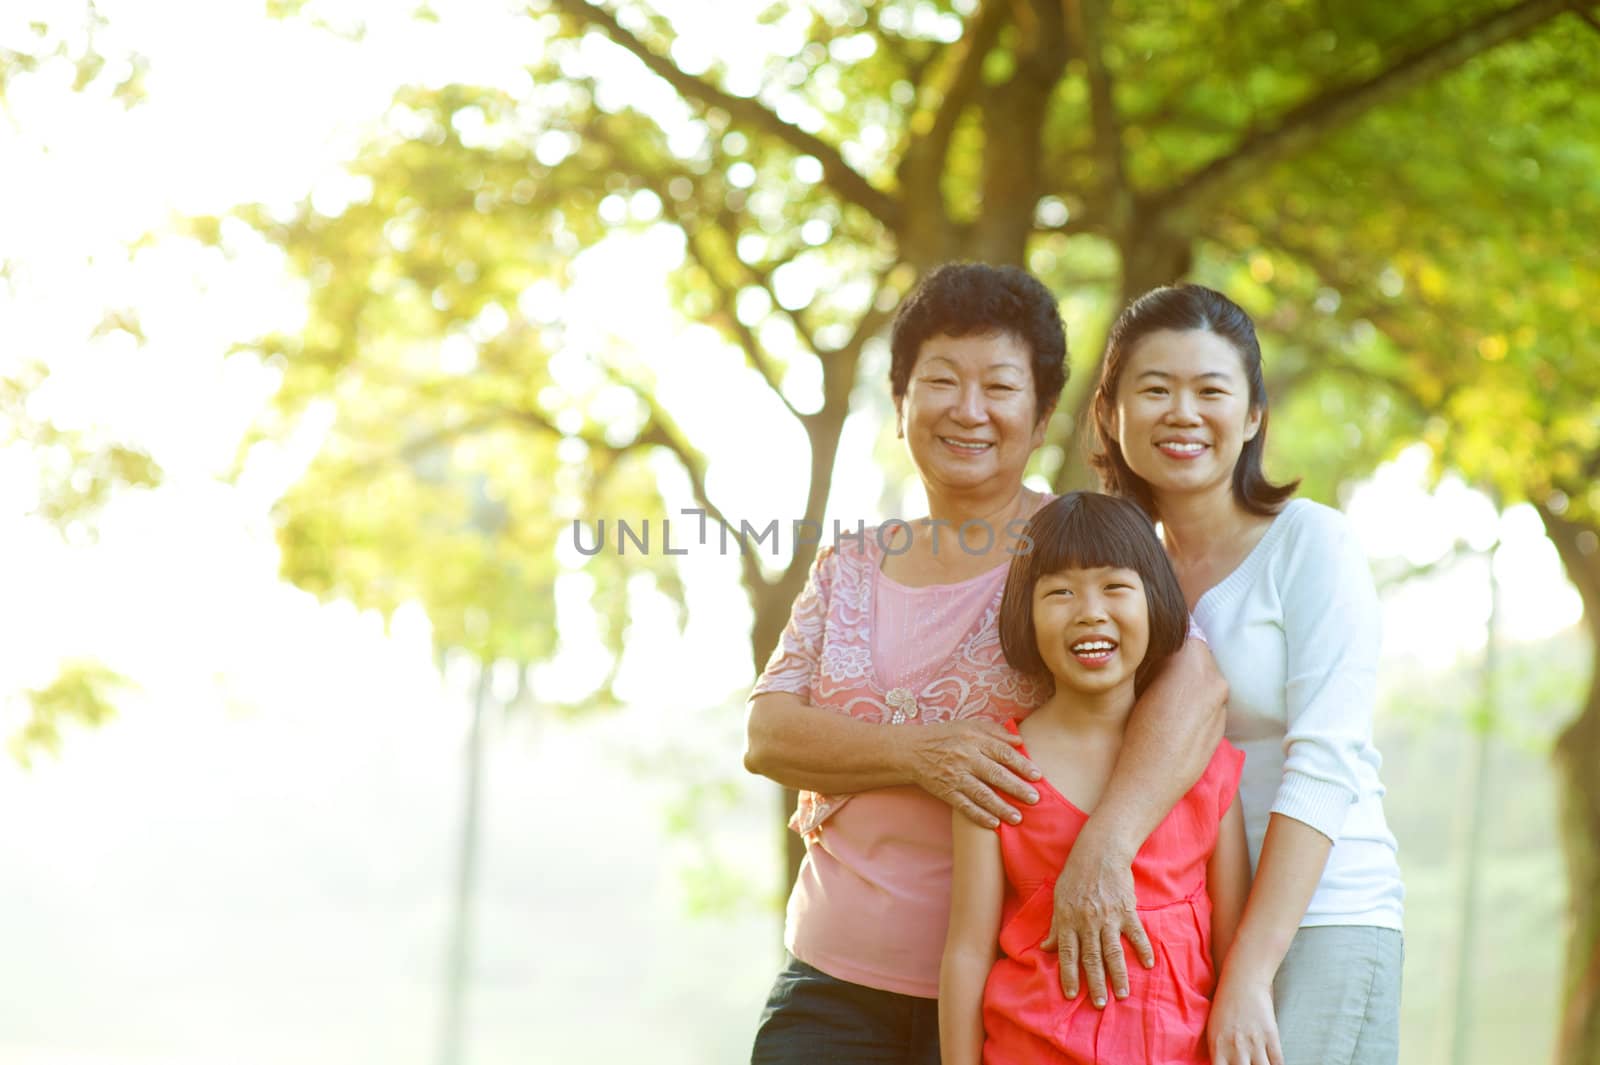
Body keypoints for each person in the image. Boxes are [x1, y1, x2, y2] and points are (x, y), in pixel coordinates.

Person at [743, 262, 1228, 1064]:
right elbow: (768, 734)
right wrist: (921, 753)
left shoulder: (1082, 549)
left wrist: (1106, 846)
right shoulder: (852, 563)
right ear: (901, 405)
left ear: (1040, 419)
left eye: (1000, 386)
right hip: (827, 989)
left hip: (1010, 1002)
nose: (968, 410)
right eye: (939, 379)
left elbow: (1196, 687)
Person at [1089, 283, 1405, 1065]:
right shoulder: (1124, 579)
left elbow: (1327, 762)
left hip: (1320, 919)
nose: (1182, 413)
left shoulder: (1311, 544)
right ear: (1110, 412)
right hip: (1188, 924)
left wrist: (1250, 971)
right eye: (1154, 389)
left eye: (1211, 390)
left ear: (1254, 415)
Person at [940, 491, 1251, 1064]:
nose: (1089, 611)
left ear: (1156, 602)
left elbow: (1232, 941)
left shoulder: (1206, 764)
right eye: (1059, 592)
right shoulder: (998, 763)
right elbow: (967, 949)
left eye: (1115, 587)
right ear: (1024, 616)